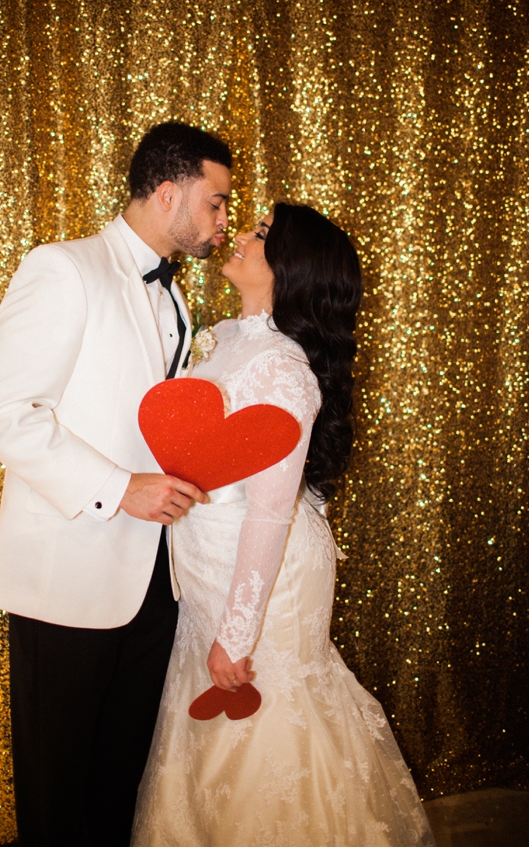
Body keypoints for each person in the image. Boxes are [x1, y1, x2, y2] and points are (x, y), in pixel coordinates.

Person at [132, 203, 435, 847]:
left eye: (263, 235)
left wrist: (237, 634)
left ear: (294, 269)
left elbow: (270, 508)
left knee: (267, 735)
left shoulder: (282, 368)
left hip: (263, 579)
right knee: (207, 736)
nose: (239, 235)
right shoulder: (222, 337)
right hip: (209, 572)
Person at [0, 122, 232, 846]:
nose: (221, 221)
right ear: (170, 192)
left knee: (120, 786)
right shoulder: (63, 268)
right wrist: (121, 487)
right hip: (69, 575)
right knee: (58, 795)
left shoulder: (178, 300)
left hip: (156, 582)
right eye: (214, 203)